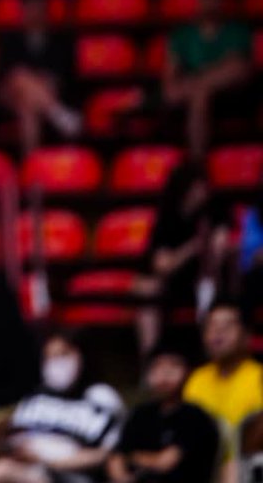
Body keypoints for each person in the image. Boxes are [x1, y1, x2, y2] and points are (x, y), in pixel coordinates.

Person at [0, 332, 124, 483]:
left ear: (80, 354)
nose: (56, 364)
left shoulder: (100, 397)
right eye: (50, 357)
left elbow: (107, 454)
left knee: (2, 470)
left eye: (62, 354)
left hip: (68, 475)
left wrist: (50, 461)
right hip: (25, 470)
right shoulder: (36, 399)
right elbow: (12, 442)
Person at [136, 162, 231, 354]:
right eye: (196, 188)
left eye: (203, 186)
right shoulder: (167, 217)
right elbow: (162, 265)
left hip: (211, 277)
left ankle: (211, 356)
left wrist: (215, 247)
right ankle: (151, 359)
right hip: (176, 279)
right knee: (146, 289)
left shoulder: (216, 207)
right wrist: (193, 247)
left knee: (209, 288)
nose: (201, 192)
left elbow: (224, 244)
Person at [106, 340, 219, 483]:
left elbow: (165, 463)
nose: (165, 373)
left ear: (188, 372)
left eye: (173, 365)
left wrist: (132, 457)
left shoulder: (196, 417)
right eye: (157, 366)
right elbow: (116, 458)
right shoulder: (139, 414)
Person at [163, 0, 252, 157]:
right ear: (198, 0)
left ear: (222, 0)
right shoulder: (181, 34)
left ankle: (197, 163)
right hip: (190, 95)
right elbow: (170, 78)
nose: (210, 2)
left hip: (233, 94)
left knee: (237, 67)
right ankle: (197, 163)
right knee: (200, 94)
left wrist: (196, 79)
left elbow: (239, 68)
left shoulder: (237, 30)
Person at [0, 0, 81, 155]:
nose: (35, 11)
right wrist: (27, 78)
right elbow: (2, 74)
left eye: (39, 7)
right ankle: (57, 113)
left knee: (27, 108)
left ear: (46, 10)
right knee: (19, 77)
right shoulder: (9, 39)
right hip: (10, 93)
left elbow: (64, 74)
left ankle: (31, 169)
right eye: (30, 7)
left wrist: (37, 80)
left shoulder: (61, 40)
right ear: (23, 10)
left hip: (45, 90)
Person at [183, 300, 263, 437]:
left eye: (228, 326)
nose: (218, 332)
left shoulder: (259, 377)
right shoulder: (197, 379)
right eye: (212, 325)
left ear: (247, 336)